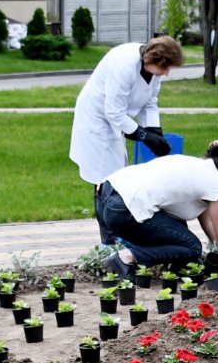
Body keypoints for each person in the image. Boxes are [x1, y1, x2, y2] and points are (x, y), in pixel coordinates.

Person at [95, 141, 218, 276]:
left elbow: (208, 222)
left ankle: (173, 264)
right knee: (192, 247)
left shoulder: (196, 167)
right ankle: (126, 257)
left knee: (183, 237)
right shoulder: (216, 184)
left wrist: (216, 247)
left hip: (106, 196)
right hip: (124, 211)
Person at [70, 36, 184, 240]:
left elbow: (150, 101)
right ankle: (108, 239)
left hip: (115, 120)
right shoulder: (124, 64)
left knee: (118, 176)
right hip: (96, 119)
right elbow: (112, 112)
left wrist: (155, 132)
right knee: (105, 180)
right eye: (166, 68)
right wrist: (143, 136)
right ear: (155, 60)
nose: (166, 74)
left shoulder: (152, 70)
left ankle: (116, 234)